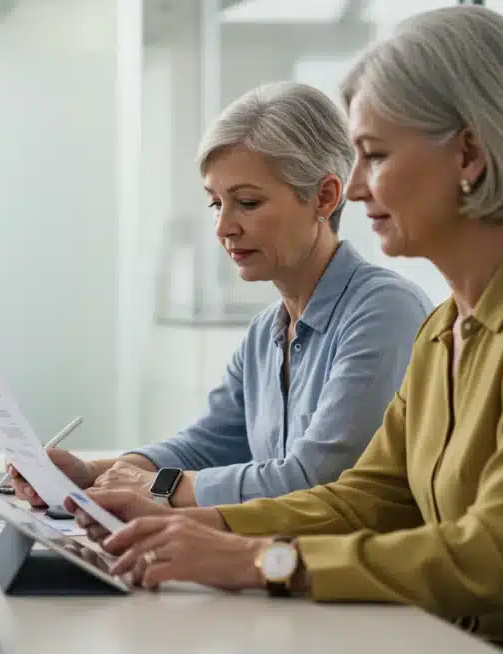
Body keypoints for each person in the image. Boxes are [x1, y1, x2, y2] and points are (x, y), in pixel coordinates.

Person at [66, 6, 503, 643]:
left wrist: (258, 559)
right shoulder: (443, 333)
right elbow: (365, 497)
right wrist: (201, 529)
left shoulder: (395, 311)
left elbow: (488, 552)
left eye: (375, 156)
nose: (353, 189)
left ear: (467, 153)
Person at [12, 82, 432, 508]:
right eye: (216, 204)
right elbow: (208, 445)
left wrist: (159, 488)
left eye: (247, 202)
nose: (223, 227)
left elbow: (317, 480)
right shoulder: (266, 331)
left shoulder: (385, 312)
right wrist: (91, 474)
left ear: (324, 197)